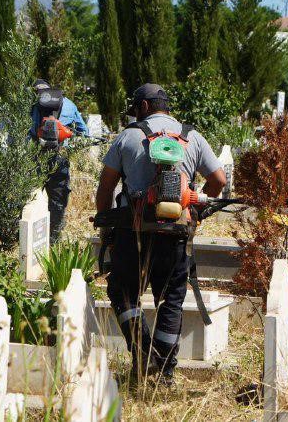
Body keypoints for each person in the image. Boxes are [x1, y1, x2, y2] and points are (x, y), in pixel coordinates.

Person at [94, 83, 227, 385]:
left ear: (142, 107)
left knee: (123, 293)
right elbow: (218, 180)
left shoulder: (129, 136)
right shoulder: (192, 137)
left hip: (132, 233)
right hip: (176, 235)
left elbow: (105, 189)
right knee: (171, 299)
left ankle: (143, 354)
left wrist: (106, 228)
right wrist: (194, 209)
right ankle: (164, 372)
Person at [29, 79, 88, 242]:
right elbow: (85, 131)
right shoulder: (69, 104)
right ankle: (54, 239)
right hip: (59, 157)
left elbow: (27, 132)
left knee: (30, 199)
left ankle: (30, 239)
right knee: (58, 200)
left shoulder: (32, 104)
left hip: (35, 158)